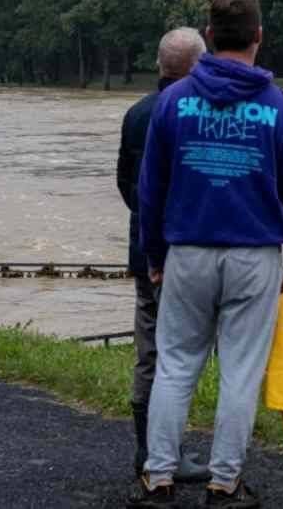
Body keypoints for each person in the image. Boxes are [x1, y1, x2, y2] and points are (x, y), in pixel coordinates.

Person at [129, 0, 283, 509]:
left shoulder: (172, 102)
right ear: (258, 36)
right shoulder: (282, 109)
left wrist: (154, 256)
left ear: (210, 36)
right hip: (255, 255)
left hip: (186, 251)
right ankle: (224, 484)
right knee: (240, 372)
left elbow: (151, 190)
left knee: (175, 365)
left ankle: (158, 479)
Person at [116, 27, 210, 481]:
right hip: (187, 250)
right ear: (197, 67)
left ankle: (145, 450)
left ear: (159, 66)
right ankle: (169, 453)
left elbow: (125, 185)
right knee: (182, 355)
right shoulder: (193, 113)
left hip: (143, 249)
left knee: (149, 352)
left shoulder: (137, 114)